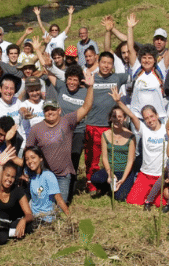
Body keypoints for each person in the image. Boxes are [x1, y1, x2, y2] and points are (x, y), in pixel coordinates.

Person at [25, 71, 95, 201]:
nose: (50, 112)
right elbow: (27, 152)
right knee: (43, 205)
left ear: (59, 110)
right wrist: (28, 172)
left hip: (63, 176)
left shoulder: (67, 121)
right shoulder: (36, 129)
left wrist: (90, 87)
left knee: (59, 209)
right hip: (44, 174)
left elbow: (86, 107)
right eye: (47, 110)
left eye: (53, 109)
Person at [81, 51, 129, 191]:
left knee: (111, 157)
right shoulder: (92, 78)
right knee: (92, 157)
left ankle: (112, 182)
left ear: (113, 65)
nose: (106, 66)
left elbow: (136, 72)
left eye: (109, 63)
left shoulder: (118, 78)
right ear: (98, 62)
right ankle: (92, 183)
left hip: (111, 126)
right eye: (103, 62)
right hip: (93, 123)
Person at [91, 94, 138, 202]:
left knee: (119, 197)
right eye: (114, 116)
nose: (116, 119)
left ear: (124, 118)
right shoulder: (105, 135)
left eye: (120, 117)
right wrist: (109, 173)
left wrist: (122, 179)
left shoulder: (130, 136)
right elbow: (105, 158)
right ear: (110, 118)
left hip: (124, 171)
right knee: (95, 178)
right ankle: (108, 187)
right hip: (111, 170)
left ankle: (119, 186)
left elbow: (131, 161)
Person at [0, 163, 33, 245]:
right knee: (1, 238)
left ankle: (14, 233)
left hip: (8, 225)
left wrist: (23, 220)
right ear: (0, 174)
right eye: (7, 175)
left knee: (30, 226)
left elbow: (29, 214)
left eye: (13, 177)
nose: (10, 179)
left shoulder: (17, 190)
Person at [23, 146, 70, 223]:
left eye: (33, 157)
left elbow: (59, 199)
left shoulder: (48, 176)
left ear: (41, 158)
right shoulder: (32, 176)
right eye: (27, 159)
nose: (30, 161)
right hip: (33, 216)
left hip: (45, 218)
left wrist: (70, 220)